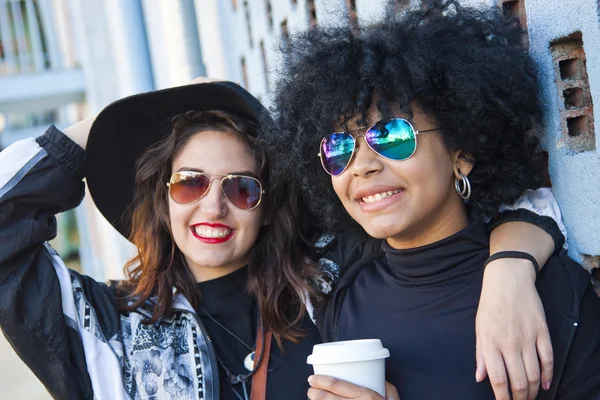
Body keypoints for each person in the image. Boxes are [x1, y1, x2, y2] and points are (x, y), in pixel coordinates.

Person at [265, 1, 600, 399]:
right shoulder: (345, 300)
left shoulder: (553, 291)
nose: (361, 166)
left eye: (391, 136)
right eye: (339, 147)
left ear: (462, 155)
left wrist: (512, 270)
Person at [0, 79, 322, 400]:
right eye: (190, 183)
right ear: (164, 200)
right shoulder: (109, 332)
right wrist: (123, 115)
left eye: (241, 188)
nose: (213, 207)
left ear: (266, 207)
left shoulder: (321, 296)